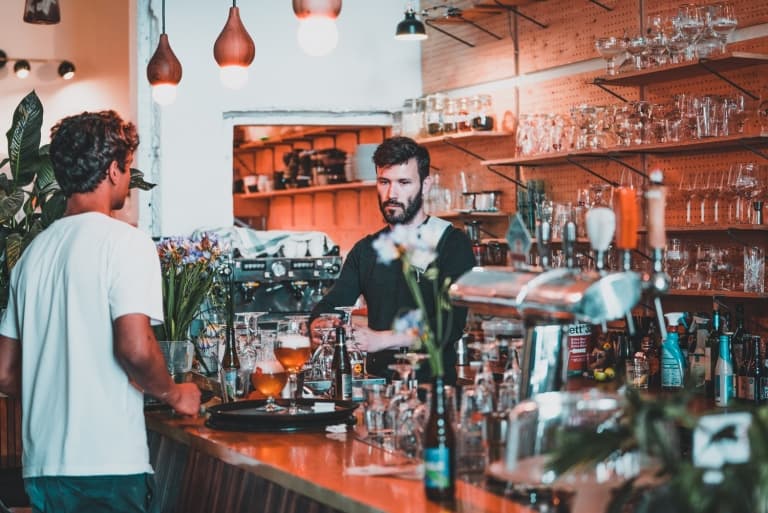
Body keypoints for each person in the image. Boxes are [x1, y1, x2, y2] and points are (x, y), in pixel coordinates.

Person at [0, 110, 200, 513]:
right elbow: (136, 349)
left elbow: (3, 371)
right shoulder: (125, 243)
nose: (128, 178)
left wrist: (62, 389)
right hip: (107, 467)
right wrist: (175, 393)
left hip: (42, 469)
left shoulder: (32, 256)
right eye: (127, 168)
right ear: (112, 170)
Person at [310, 136, 475, 385]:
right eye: (384, 182)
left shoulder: (451, 243)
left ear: (426, 185)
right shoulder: (367, 250)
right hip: (377, 387)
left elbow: (449, 325)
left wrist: (382, 339)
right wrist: (321, 324)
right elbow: (332, 303)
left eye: (404, 182)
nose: (391, 193)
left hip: (433, 388)